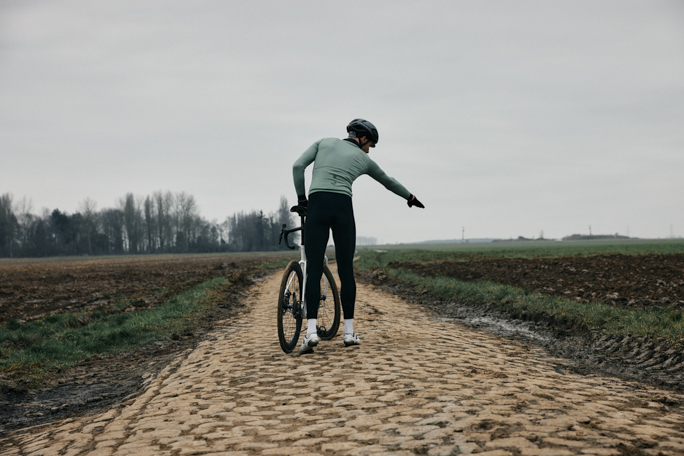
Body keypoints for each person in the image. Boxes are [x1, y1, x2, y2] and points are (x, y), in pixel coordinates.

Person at [292, 118, 424, 354]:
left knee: (313, 268)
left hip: (317, 204)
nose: (368, 149)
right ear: (362, 138)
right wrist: (410, 197)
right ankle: (348, 333)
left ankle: (311, 333)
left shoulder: (324, 142)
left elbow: (297, 166)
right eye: (370, 144)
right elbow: (388, 181)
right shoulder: (364, 160)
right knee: (345, 271)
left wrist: (302, 200)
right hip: (342, 207)